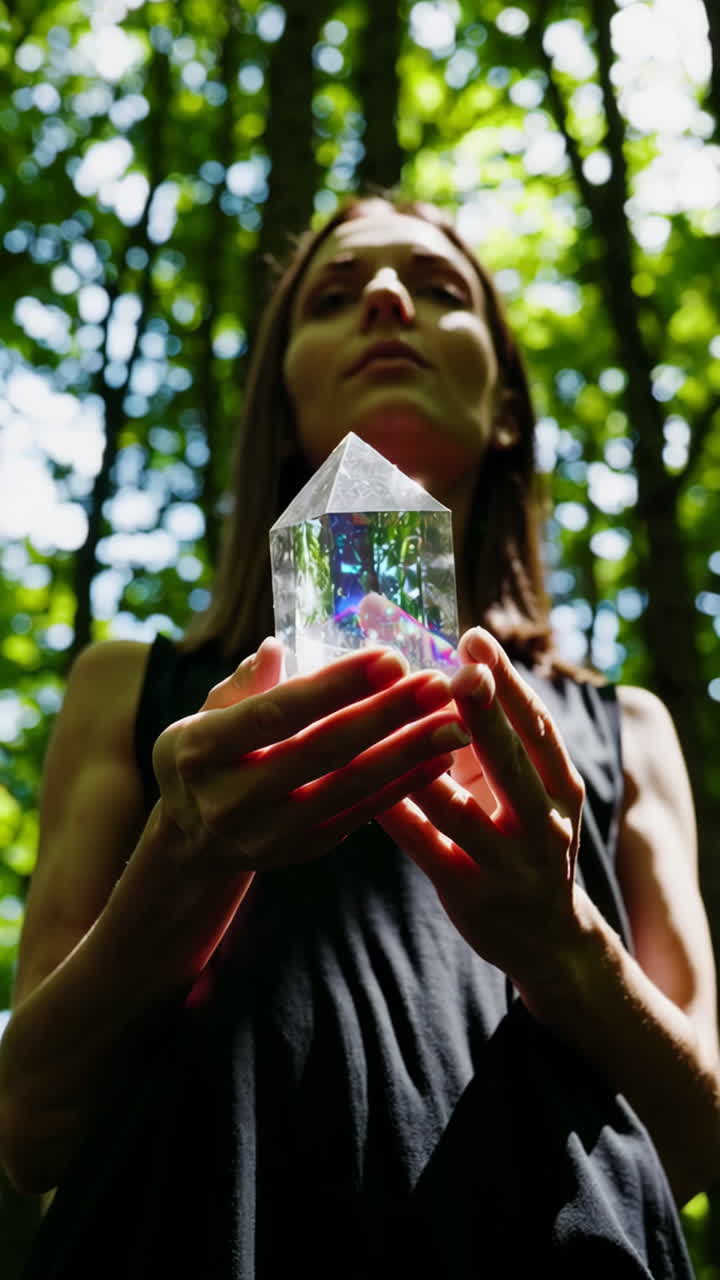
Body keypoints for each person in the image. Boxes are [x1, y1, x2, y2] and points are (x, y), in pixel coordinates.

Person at [1, 193, 718, 1279]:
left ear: (507, 409)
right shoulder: (135, 688)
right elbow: (28, 1121)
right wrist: (189, 857)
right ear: (284, 409)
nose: (387, 299)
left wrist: (561, 938)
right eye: (336, 296)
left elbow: (701, 1138)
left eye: (438, 289)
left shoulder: (622, 725)